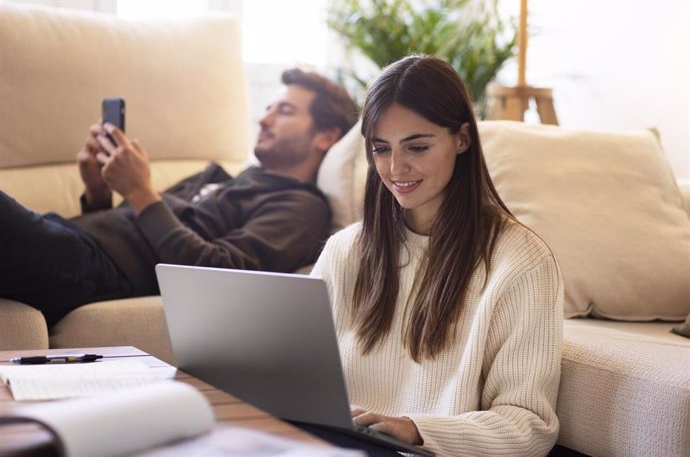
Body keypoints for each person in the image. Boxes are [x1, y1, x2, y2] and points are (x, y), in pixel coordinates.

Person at [310, 56, 563, 457]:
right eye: (381, 148)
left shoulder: (521, 262)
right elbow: (297, 379)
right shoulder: (345, 250)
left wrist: (416, 430)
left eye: (418, 146)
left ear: (462, 139)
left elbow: (527, 425)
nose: (395, 168)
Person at [0, 68, 358, 326]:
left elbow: (219, 275)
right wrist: (98, 192)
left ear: (325, 136)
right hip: (68, 238)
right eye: (267, 108)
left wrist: (140, 191)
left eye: (285, 111)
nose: (264, 120)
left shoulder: (301, 206)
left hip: (88, 265)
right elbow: (136, 225)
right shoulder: (222, 178)